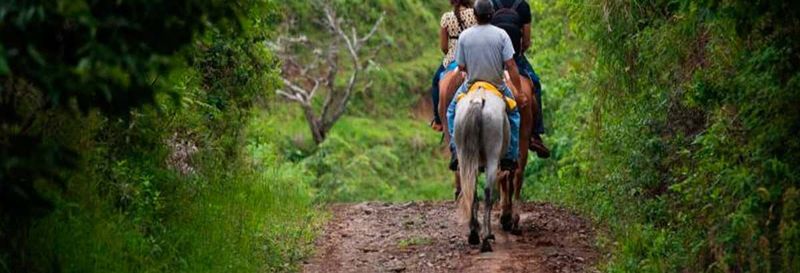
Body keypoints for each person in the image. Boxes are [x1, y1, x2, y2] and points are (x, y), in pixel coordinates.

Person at [447, 0, 522, 171]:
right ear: (492, 14)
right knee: (515, 114)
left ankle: (454, 148)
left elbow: (461, 66)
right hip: (497, 85)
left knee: (451, 111)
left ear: (475, 15)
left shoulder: (465, 36)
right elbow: (510, 65)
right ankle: (510, 156)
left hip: (471, 85)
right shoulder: (502, 34)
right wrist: (518, 90)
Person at [490, 0, 550, 158]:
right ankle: (536, 133)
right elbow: (527, 41)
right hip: (515, 58)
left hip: (494, 60)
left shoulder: (490, 3)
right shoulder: (522, 6)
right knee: (535, 83)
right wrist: (517, 52)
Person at [430, 0, 476, 132]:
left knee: (435, 82)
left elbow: (444, 47)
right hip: (472, 58)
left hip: (453, 59)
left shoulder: (446, 17)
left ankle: (438, 121)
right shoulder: (475, 14)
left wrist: (451, 52)